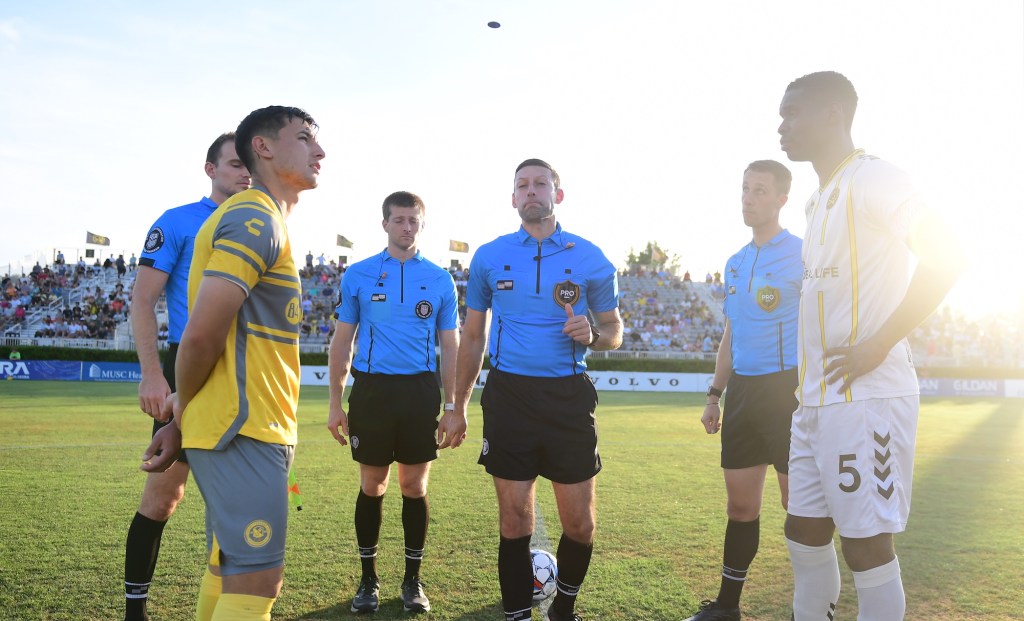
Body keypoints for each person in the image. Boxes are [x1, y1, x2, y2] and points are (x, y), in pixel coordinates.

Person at [777, 71, 963, 620]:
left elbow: (947, 254)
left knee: (865, 543)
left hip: (867, 398)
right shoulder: (817, 201)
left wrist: (880, 342)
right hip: (814, 401)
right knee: (804, 534)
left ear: (833, 113)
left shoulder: (876, 179)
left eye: (792, 113)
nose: (781, 126)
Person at [141, 106, 325, 621]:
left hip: (243, 424)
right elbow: (200, 334)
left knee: (229, 566)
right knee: (256, 577)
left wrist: (182, 418)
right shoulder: (254, 215)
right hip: (243, 426)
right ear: (262, 148)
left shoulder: (261, 218)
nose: (320, 151)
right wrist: (180, 414)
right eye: (305, 137)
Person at [454, 159, 623, 621]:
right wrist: (457, 406)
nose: (531, 191)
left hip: (569, 397)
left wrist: (594, 334)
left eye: (540, 184)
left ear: (557, 194)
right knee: (514, 520)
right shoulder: (490, 256)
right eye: (522, 185)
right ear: (513, 198)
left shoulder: (590, 257)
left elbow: (613, 331)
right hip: (509, 396)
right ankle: (516, 615)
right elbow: (472, 337)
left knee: (580, 524)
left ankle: (562, 608)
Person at [124, 131, 251, 621]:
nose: (244, 174)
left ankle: (229, 608)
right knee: (163, 498)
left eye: (248, 166)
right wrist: (154, 376)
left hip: (246, 375)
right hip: (188, 369)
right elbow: (142, 299)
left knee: (237, 508)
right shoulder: (178, 222)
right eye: (235, 164)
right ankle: (135, 610)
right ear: (210, 169)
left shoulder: (263, 223)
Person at [326, 191, 462, 614]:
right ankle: (368, 581)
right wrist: (336, 402)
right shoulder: (360, 275)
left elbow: (451, 345)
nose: (407, 227)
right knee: (373, 485)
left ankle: (412, 581)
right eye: (399, 219)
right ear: (385, 223)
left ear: (422, 224)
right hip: (371, 392)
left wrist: (453, 405)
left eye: (413, 220)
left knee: (413, 486)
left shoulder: (440, 279)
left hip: (420, 392)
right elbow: (342, 341)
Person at [684, 160, 802, 621]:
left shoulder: (803, 254)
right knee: (740, 506)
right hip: (743, 396)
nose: (749, 198)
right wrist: (715, 394)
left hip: (789, 392)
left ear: (781, 199)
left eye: (759, 191)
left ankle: (810, 606)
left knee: (800, 506)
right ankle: (727, 607)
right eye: (745, 190)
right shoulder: (735, 262)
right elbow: (730, 336)